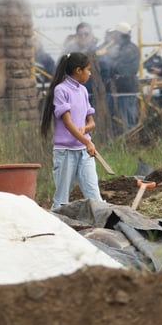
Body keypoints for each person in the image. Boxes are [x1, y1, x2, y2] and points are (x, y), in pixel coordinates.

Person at [40, 52, 104, 209]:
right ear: (78, 70)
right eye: (88, 69)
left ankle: (102, 227)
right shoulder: (61, 90)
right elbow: (68, 124)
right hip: (65, 152)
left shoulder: (82, 91)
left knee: (94, 196)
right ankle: (56, 229)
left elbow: (91, 121)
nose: (90, 73)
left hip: (84, 151)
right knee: (62, 199)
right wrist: (87, 141)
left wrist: (86, 128)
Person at [107, 22, 140, 131]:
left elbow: (122, 68)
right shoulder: (123, 47)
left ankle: (131, 140)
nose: (113, 37)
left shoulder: (129, 50)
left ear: (120, 34)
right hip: (122, 88)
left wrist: (111, 64)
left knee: (128, 118)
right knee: (123, 116)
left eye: (115, 34)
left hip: (127, 88)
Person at [62, 22, 99, 104]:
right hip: (73, 93)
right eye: (80, 34)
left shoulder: (97, 51)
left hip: (93, 94)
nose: (83, 37)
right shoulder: (69, 51)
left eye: (86, 34)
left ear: (91, 35)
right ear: (76, 36)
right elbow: (62, 68)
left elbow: (103, 72)